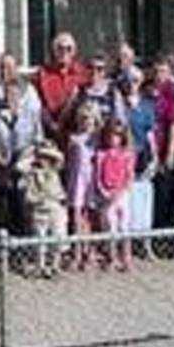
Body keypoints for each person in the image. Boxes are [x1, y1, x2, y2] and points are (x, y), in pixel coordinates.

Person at [0, 75, 43, 235]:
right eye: (8, 94)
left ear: (22, 95)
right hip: (1, 162)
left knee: (21, 203)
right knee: (1, 203)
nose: (11, 98)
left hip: (23, 163)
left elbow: (37, 140)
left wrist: (25, 157)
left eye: (15, 94)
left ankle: (22, 239)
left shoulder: (30, 115)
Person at [16, 139, 68, 278]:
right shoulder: (31, 173)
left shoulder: (54, 171)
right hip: (39, 209)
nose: (45, 160)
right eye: (42, 157)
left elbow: (60, 159)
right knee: (40, 239)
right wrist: (33, 154)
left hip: (55, 207)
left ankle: (55, 265)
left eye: (48, 157)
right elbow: (20, 167)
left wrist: (50, 151)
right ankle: (41, 264)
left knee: (58, 236)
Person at [123, 69, 157, 259]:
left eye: (135, 80)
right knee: (126, 203)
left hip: (142, 157)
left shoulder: (147, 105)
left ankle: (146, 244)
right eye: (128, 80)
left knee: (144, 201)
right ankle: (127, 247)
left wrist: (155, 157)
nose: (131, 84)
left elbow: (150, 134)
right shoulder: (119, 103)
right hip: (124, 158)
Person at [95, 121, 136, 271]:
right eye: (111, 136)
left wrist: (121, 192)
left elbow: (129, 176)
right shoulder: (101, 155)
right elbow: (98, 176)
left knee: (124, 226)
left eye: (117, 136)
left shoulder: (127, 154)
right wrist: (104, 192)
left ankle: (127, 257)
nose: (114, 139)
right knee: (110, 226)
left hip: (122, 193)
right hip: (106, 193)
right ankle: (112, 257)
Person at [150, 56, 174, 230]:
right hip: (150, 152)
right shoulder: (147, 91)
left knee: (168, 194)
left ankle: (166, 236)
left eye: (163, 71)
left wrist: (170, 153)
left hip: (166, 151)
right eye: (156, 71)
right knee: (153, 196)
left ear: (170, 73)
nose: (159, 75)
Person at [66, 101, 102, 269]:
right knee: (76, 217)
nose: (87, 122)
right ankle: (77, 252)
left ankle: (90, 251)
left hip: (92, 181)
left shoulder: (98, 138)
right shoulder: (74, 138)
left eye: (90, 118)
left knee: (91, 216)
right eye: (84, 118)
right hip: (77, 179)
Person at [36, 32, 88, 145]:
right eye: (60, 48)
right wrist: (51, 125)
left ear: (74, 52)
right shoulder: (43, 74)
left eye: (68, 49)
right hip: (50, 129)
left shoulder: (82, 73)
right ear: (54, 51)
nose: (64, 52)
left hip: (76, 130)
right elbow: (39, 104)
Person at [73, 53, 119, 124]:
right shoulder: (79, 91)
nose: (94, 72)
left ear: (105, 71)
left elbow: (120, 119)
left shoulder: (112, 92)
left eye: (99, 69)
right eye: (90, 67)